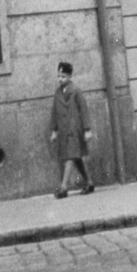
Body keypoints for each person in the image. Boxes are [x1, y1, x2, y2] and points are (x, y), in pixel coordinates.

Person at [48, 61, 94, 198]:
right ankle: (89, 183)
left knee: (70, 157)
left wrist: (87, 129)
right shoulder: (57, 93)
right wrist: (54, 130)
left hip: (75, 129)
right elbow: (54, 112)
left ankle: (63, 187)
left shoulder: (76, 91)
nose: (60, 79)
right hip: (64, 129)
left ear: (69, 76)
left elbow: (84, 110)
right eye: (58, 76)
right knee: (76, 157)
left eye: (63, 76)